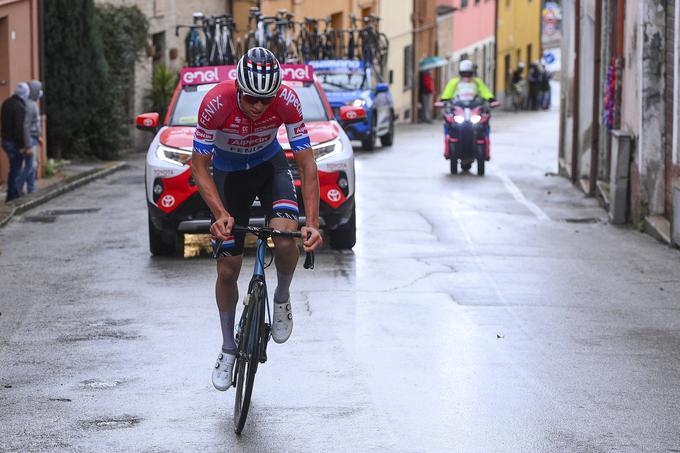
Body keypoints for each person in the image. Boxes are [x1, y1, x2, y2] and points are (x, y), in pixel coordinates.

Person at [191, 47, 323, 391]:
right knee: (227, 268)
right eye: (251, 98)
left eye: (267, 100)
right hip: (228, 175)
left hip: (269, 168)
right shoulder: (215, 102)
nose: (259, 107)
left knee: (285, 236)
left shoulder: (288, 101)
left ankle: (281, 296)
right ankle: (228, 348)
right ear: (238, 89)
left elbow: (307, 165)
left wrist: (313, 222)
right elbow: (199, 166)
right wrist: (220, 214)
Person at [440, 60, 499, 158]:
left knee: (484, 124)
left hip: (473, 108)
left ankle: (485, 150)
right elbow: (447, 94)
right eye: (464, 74)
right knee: (449, 124)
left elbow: (485, 92)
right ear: (460, 73)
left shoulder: (477, 82)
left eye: (468, 73)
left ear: (472, 73)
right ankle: (448, 149)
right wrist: (442, 101)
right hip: (459, 109)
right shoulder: (454, 82)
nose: (466, 76)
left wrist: (492, 100)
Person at [1, 83, 31, 202]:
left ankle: (13, 192)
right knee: (16, 168)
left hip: (5, 140)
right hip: (13, 142)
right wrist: (23, 146)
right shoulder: (19, 107)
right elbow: (19, 129)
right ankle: (13, 194)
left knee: (14, 167)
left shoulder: (6, 103)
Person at [17, 80, 43, 194]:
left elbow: (33, 125)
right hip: (29, 140)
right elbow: (26, 126)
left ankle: (31, 190)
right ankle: (16, 187)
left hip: (33, 138)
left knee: (31, 166)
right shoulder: (30, 105)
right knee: (30, 166)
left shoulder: (30, 104)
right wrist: (28, 145)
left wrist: (38, 137)